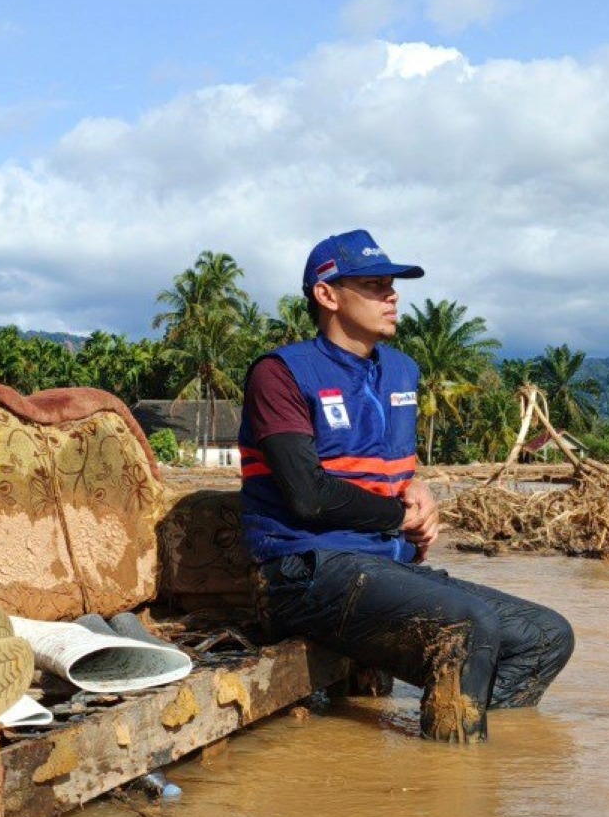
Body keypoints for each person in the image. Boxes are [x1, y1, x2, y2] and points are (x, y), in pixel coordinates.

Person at [240, 231, 575, 741]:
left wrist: (417, 490)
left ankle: (462, 750)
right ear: (327, 295)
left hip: (383, 564)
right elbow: (308, 495)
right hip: (305, 570)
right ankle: (453, 772)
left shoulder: (401, 371)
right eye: (374, 286)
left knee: (546, 636)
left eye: (391, 285)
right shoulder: (282, 373)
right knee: (467, 623)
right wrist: (398, 518)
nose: (392, 296)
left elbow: (385, 466)